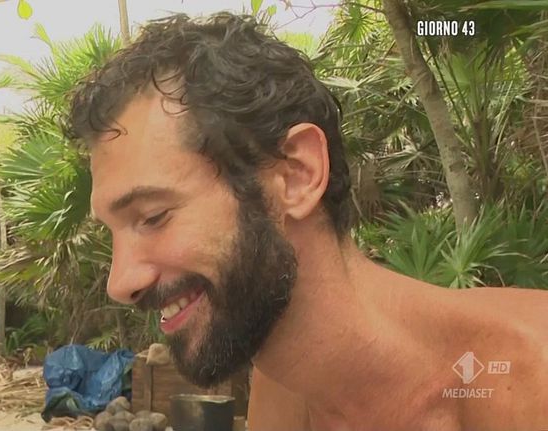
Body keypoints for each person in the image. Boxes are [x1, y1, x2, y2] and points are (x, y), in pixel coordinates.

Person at [65, 12, 548, 430]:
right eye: (113, 231)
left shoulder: (530, 378)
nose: (119, 283)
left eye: (153, 217)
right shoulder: (288, 388)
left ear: (296, 175)